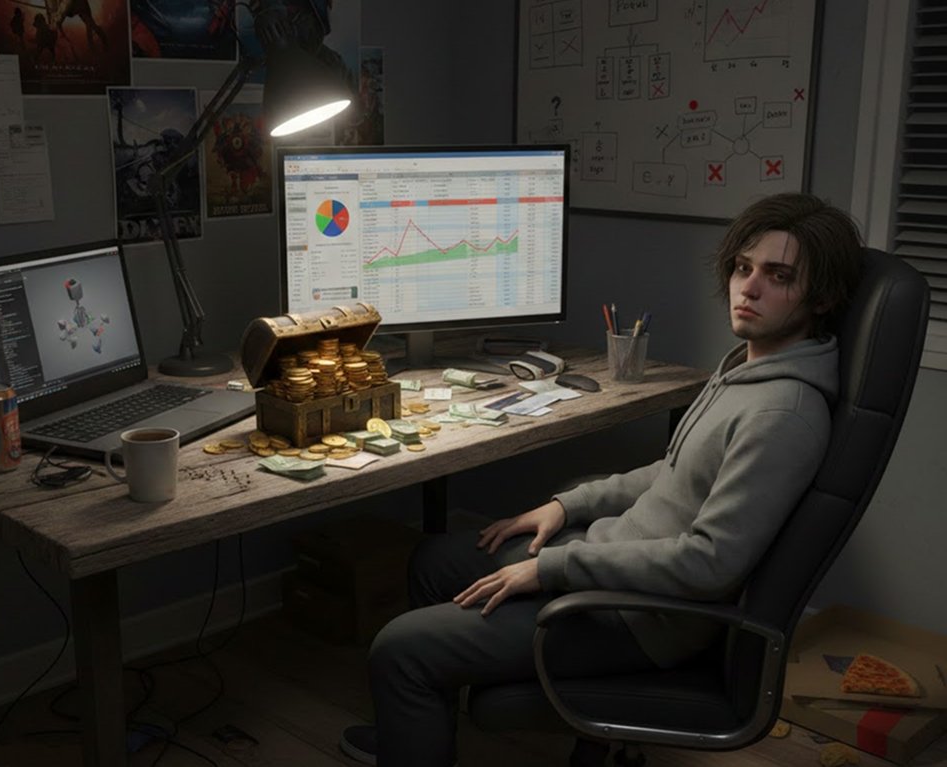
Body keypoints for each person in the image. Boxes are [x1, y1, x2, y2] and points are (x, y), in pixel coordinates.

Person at [338, 193, 864, 767]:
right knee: (435, 560)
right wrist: (567, 507)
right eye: (743, 267)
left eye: (778, 276)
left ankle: (416, 711)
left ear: (821, 297)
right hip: (611, 562)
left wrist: (551, 568)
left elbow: (708, 563)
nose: (749, 288)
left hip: (641, 619)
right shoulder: (748, 365)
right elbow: (675, 472)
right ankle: (419, 734)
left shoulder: (782, 414)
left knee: (399, 650)